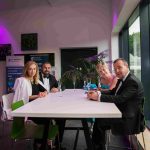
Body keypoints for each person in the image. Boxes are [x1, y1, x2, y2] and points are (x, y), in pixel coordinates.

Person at [87, 58, 145, 150]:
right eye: (115, 69)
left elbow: (120, 98)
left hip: (129, 119)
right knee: (99, 119)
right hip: (123, 112)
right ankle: (96, 146)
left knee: (100, 122)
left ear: (126, 66)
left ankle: (97, 147)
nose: (117, 71)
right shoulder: (124, 79)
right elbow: (113, 92)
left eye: (119, 67)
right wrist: (97, 94)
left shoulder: (132, 81)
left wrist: (98, 97)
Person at [13, 61, 49, 150]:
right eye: (30, 69)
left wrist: (43, 93)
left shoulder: (36, 80)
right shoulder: (22, 81)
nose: (32, 71)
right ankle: (40, 144)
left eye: (34, 69)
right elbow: (23, 98)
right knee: (45, 120)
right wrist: (38, 95)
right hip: (27, 110)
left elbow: (45, 90)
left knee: (48, 118)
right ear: (26, 70)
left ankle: (41, 142)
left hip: (36, 107)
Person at [39, 62, 66, 150]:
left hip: (51, 104)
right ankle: (43, 142)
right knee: (47, 119)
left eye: (49, 68)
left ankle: (58, 143)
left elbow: (61, 87)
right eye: (45, 67)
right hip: (39, 105)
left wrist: (57, 89)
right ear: (41, 68)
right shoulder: (36, 77)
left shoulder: (52, 77)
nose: (47, 69)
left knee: (62, 118)